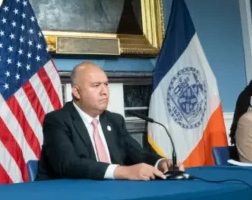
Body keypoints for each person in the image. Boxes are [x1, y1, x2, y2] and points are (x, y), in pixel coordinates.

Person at [37, 62, 181, 181]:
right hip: (68, 196)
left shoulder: (114, 120)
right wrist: (123, 171)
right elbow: (68, 164)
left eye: (106, 84)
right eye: (96, 85)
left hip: (112, 193)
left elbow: (137, 153)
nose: (104, 91)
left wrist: (160, 162)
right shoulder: (57, 120)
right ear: (77, 92)